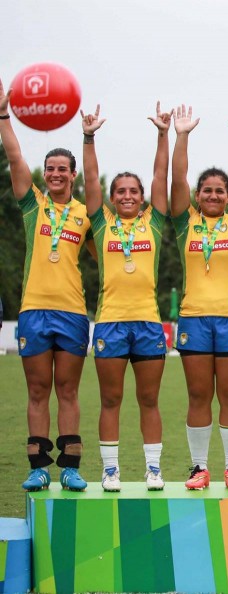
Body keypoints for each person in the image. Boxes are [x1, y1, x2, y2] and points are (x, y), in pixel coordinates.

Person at [1, 77, 92, 491]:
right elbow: (15, 156)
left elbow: (106, 256)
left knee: (68, 391)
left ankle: (70, 467)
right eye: (49, 169)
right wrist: (4, 114)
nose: (55, 174)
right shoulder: (32, 206)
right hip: (34, 311)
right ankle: (38, 466)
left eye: (62, 169)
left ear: (73, 175)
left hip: (72, 312)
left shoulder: (85, 215)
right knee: (38, 391)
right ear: (44, 174)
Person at [81, 103, 171, 492]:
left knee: (149, 400)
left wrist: (163, 134)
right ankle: (111, 470)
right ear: (113, 197)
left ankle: (153, 469)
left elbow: (160, 177)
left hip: (149, 323)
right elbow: (90, 180)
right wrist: (89, 137)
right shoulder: (101, 224)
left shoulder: (154, 222)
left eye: (135, 191)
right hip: (111, 322)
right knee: (111, 399)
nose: (129, 195)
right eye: (122, 191)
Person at [170, 105, 228, 490]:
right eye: (206, 190)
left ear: (227, 196)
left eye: (220, 190)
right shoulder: (184, 221)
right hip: (193, 318)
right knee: (198, 394)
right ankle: (198, 467)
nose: (213, 194)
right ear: (197, 194)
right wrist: (182, 135)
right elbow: (176, 180)